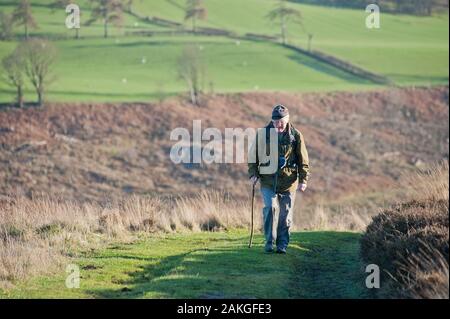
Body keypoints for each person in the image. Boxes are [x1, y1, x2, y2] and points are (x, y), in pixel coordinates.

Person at [248, 104, 310, 254]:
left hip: (289, 182)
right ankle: (269, 242)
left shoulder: (296, 135)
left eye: (281, 122)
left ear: (287, 120)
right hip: (268, 181)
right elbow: (253, 156)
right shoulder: (263, 134)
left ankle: (282, 245)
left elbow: (303, 159)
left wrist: (303, 180)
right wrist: (253, 173)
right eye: (276, 122)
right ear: (272, 121)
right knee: (270, 208)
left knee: (285, 215)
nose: (279, 125)